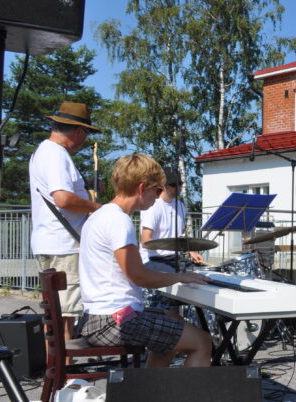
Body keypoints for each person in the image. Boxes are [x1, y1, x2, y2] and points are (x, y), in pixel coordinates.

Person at [75, 154, 213, 367]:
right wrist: (180, 277)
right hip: (113, 322)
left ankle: (151, 394)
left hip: (99, 316)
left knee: (174, 323)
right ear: (142, 188)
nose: (158, 197)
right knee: (202, 341)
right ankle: (184, 400)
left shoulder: (101, 215)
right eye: (157, 190)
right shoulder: (118, 220)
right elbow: (139, 276)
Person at [29, 101, 102, 340]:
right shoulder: (56, 154)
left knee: (54, 313)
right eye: (86, 134)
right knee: (66, 315)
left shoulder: (44, 151)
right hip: (64, 246)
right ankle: (65, 372)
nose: (84, 141)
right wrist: (95, 207)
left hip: (50, 241)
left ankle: (57, 368)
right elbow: (62, 198)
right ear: (78, 131)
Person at [140, 167, 204, 271]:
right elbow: (145, 241)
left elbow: (181, 235)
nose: (178, 187)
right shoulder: (152, 206)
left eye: (180, 184)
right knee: (179, 275)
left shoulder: (180, 206)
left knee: (201, 271)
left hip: (174, 259)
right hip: (153, 259)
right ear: (163, 186)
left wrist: (191, 251)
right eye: (174, 185)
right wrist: (169, 245)